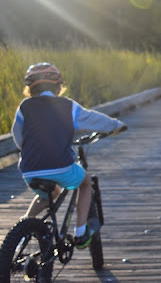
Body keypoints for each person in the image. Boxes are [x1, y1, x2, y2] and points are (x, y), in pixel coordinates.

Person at [11, 62, 127, 248]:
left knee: (47, 194)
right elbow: (92, 119)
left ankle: (19, 233)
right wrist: (116, 126)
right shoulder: (67, 106)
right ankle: (80, 234)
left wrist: (32, 150)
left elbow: (18, 136)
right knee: (86, 182)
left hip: (30, 169)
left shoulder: (25, 107)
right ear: (58, 86)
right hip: (61, 166)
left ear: (30, 88)